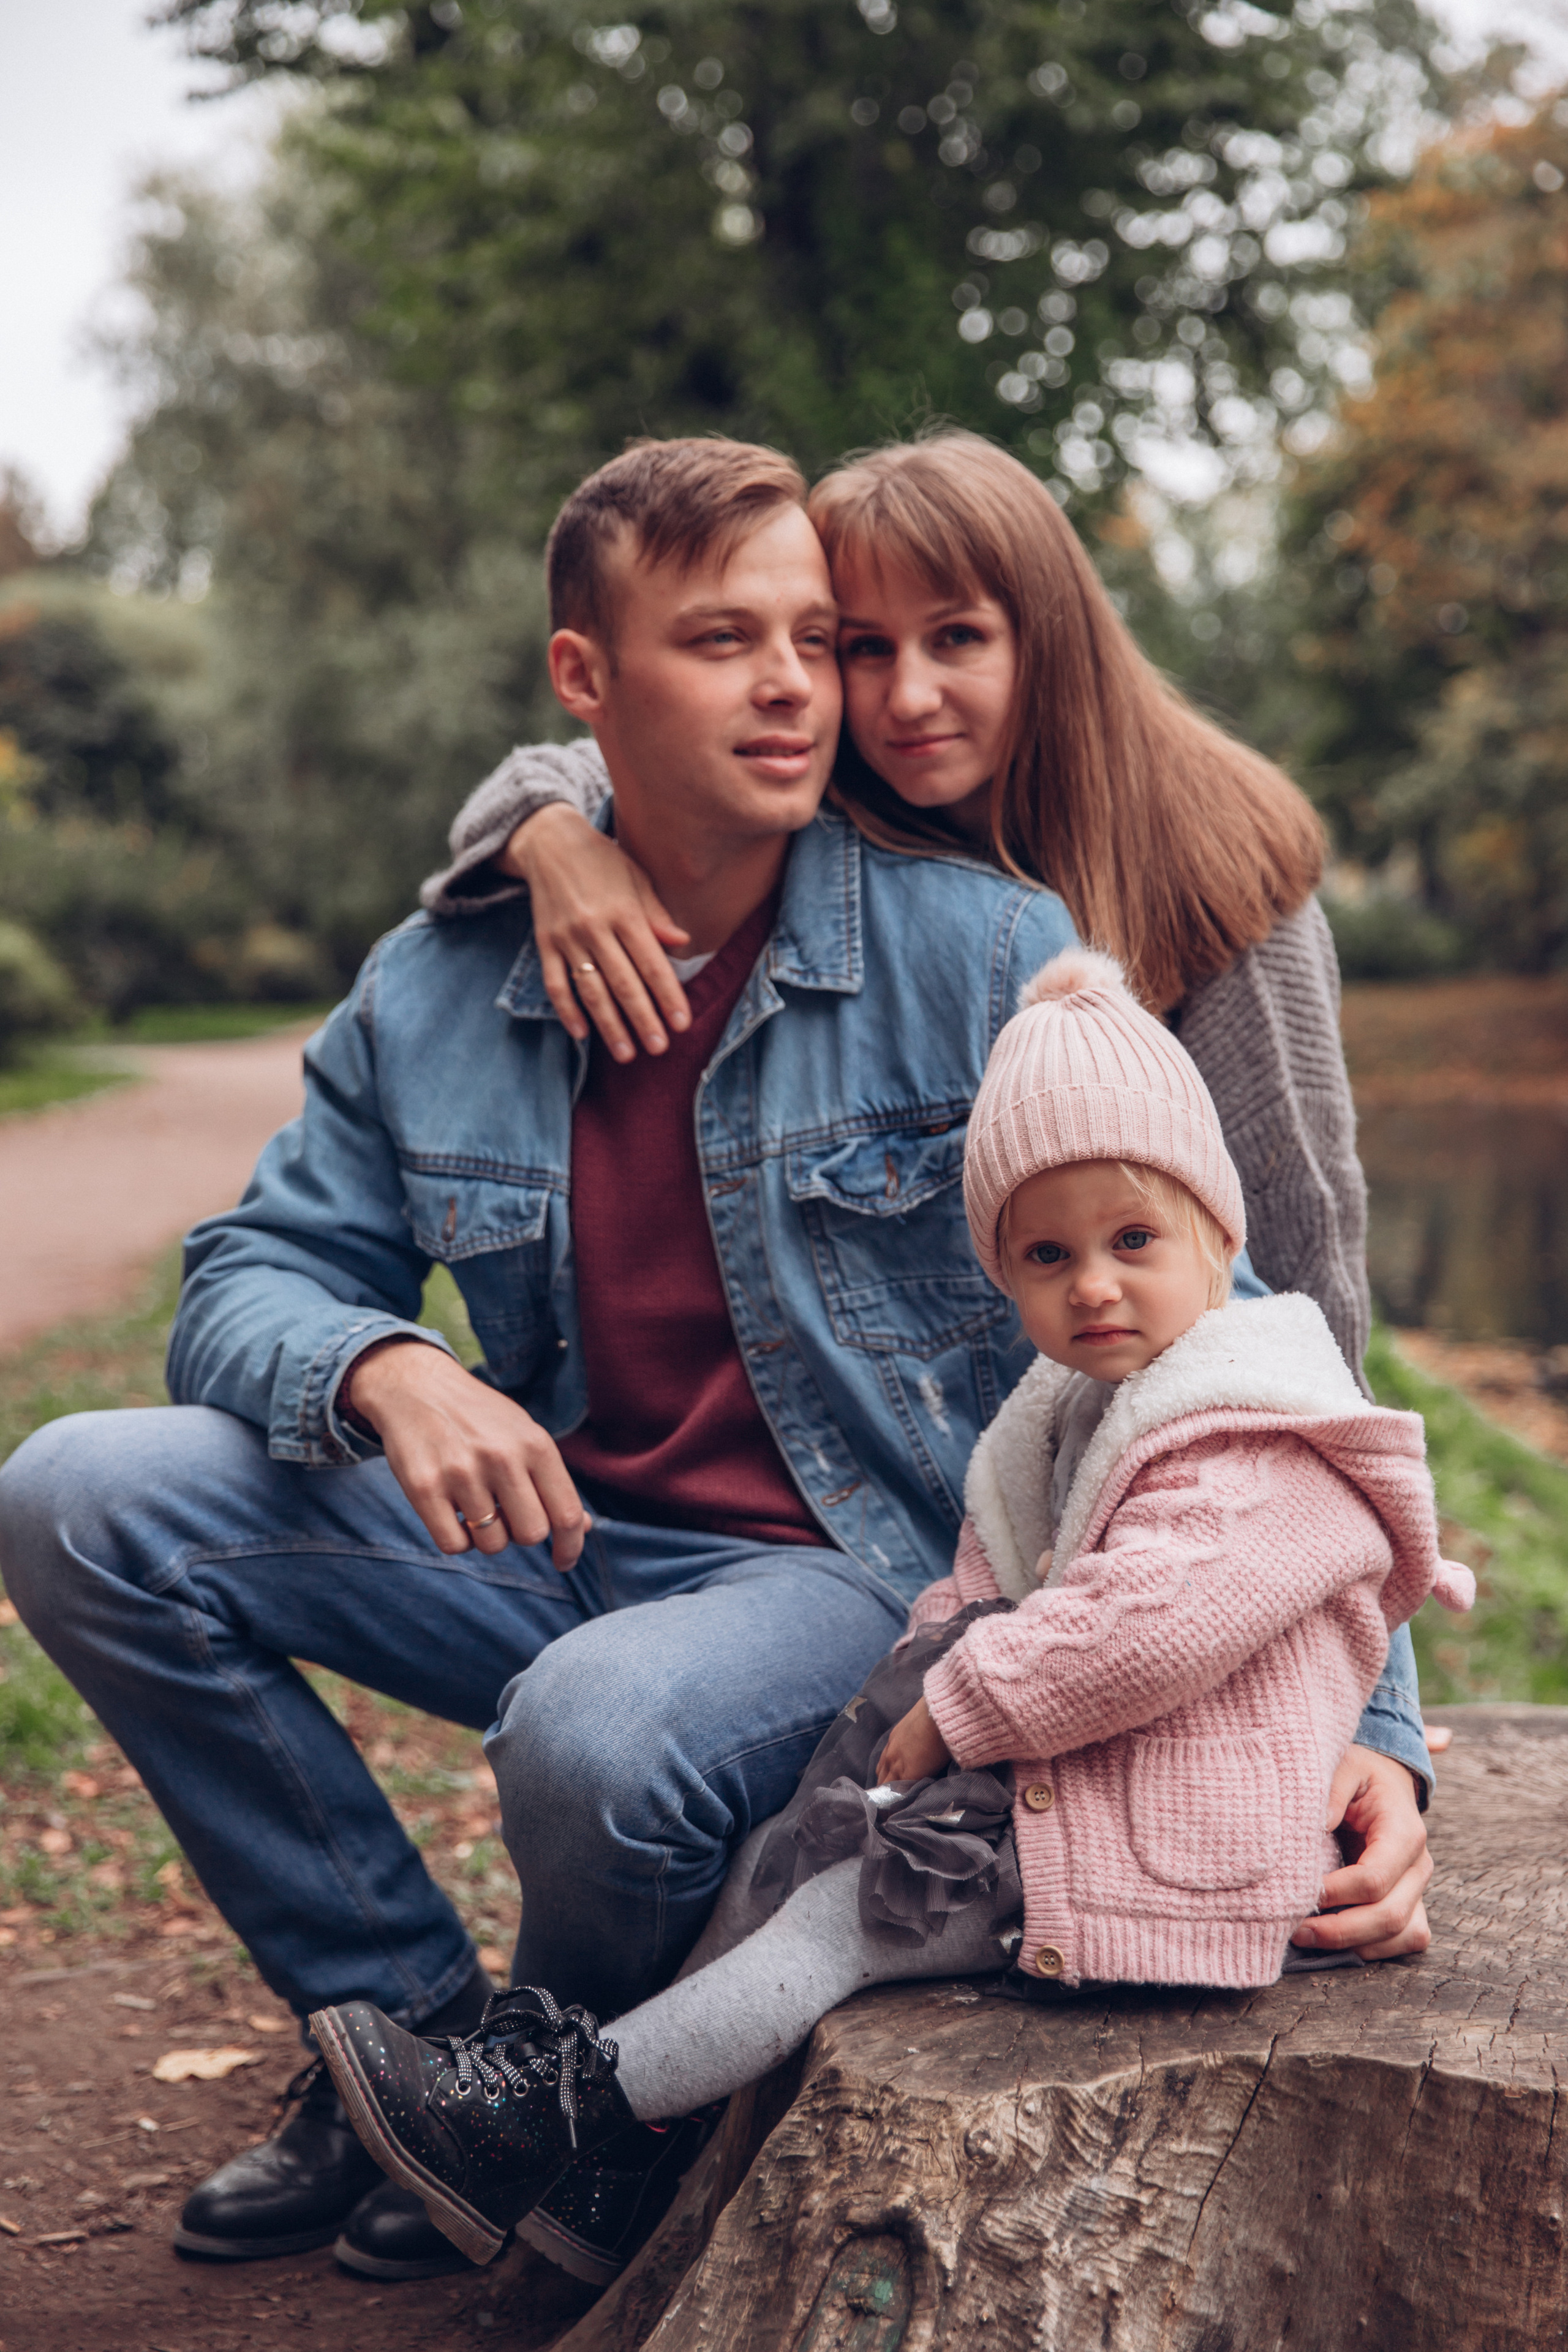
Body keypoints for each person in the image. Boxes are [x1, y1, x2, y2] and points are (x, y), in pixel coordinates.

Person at [0, 434, 1428, 2304]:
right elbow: (256, 1264)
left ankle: (573, 2117)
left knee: (600, 1733)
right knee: (74, 1496)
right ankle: (419, 2062)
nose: (800, 686)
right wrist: (381, 1369)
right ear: (585, 686)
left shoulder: (991, 945)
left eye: (808, 638)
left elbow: (1254, 1341)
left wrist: (1372, 1727)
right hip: (568, 1530)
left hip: (860, 1573)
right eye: (726, 640)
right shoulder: (439, 985)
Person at [304, 948, 1472, 2271]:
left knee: (839, 1919)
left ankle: (546, 2121)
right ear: (1001, 1272)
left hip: (1181, 1834)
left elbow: (1147, 1625)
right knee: (777, 1859)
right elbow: (984, 1583)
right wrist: (900, 1696)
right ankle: (612, 2154)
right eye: (1046, 1254)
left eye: (1132, 1240)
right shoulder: (1064, 1412)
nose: (1091, 1284)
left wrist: (956, 1706)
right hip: (1091, 1780)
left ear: (1221, 1237)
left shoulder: (1259, 1430)